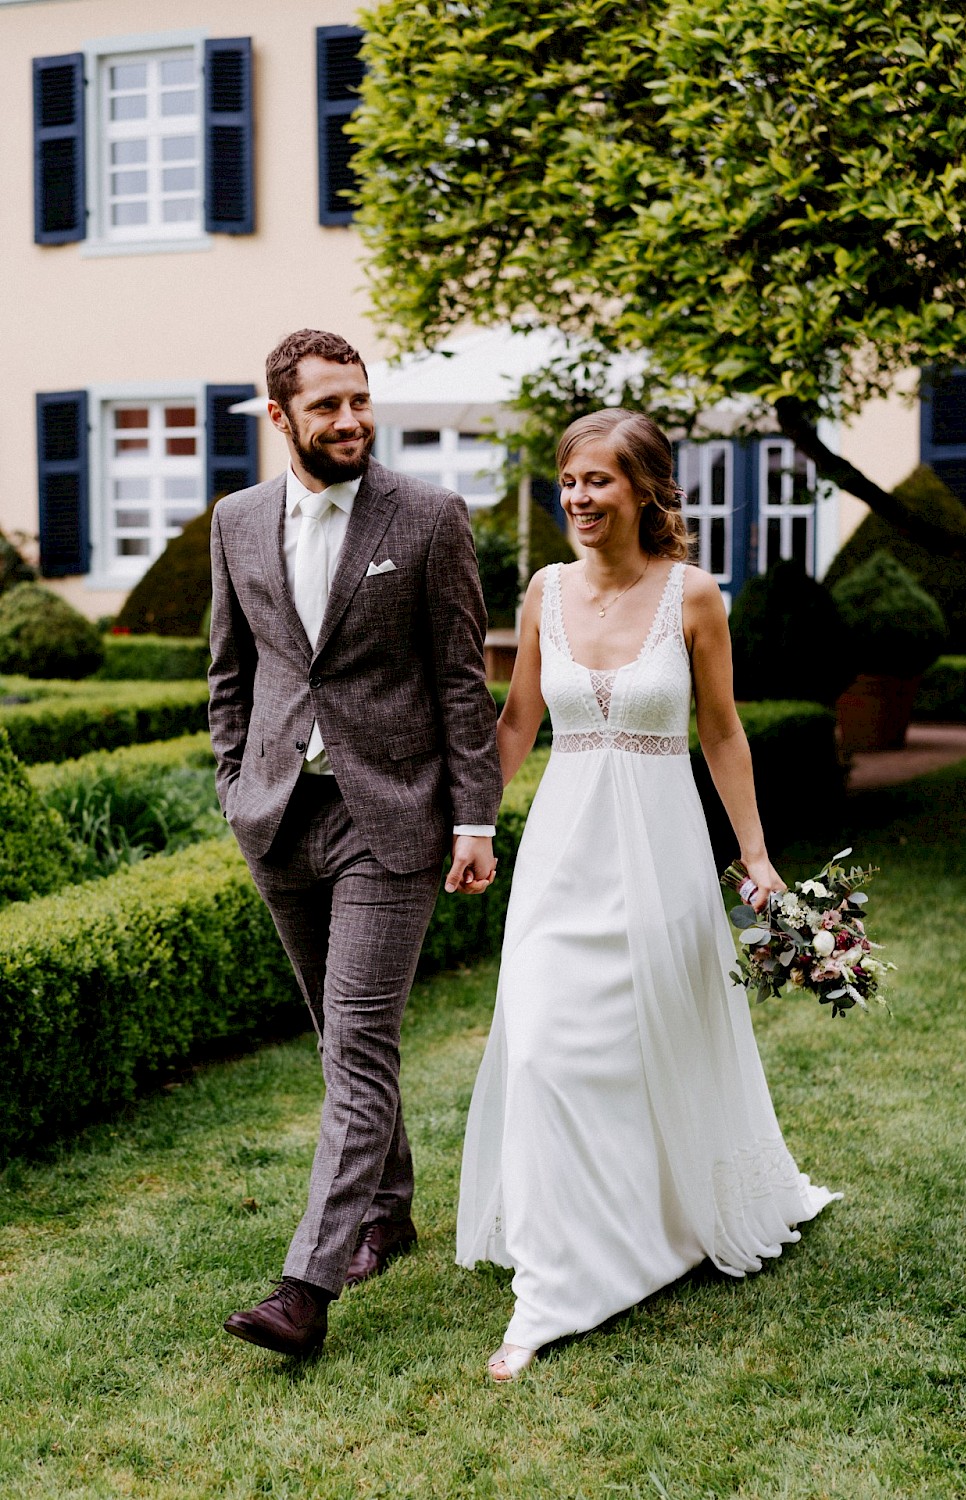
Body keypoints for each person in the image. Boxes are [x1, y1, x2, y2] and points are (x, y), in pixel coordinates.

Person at [457, 408, 840, 1381]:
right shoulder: (542, 591)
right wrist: (467, 823)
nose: (579, 499)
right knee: (542, 1048)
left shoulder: (693, 596)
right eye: (569, 481)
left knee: (647, 1049)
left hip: (661, 854)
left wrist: (753, 857)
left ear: (644, 489)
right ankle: (552, 1285)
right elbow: (513, 726)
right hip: (561, 856)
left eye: (599, 481)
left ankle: (647, 1230)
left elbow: (722, 734)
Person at [209, 329, 503, 1357]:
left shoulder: (427, 517)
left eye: (359, 401)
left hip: (395, 818)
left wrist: (474, 817)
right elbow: (230, 673)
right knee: (342, 1044)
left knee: (362, 1043)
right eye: (326, 406)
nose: (350, 421)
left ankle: (307, 1285)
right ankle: (389, 1207)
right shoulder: (236, 521)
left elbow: (463, 682)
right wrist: (235, 784)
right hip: (281, 818)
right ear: (280, 418)